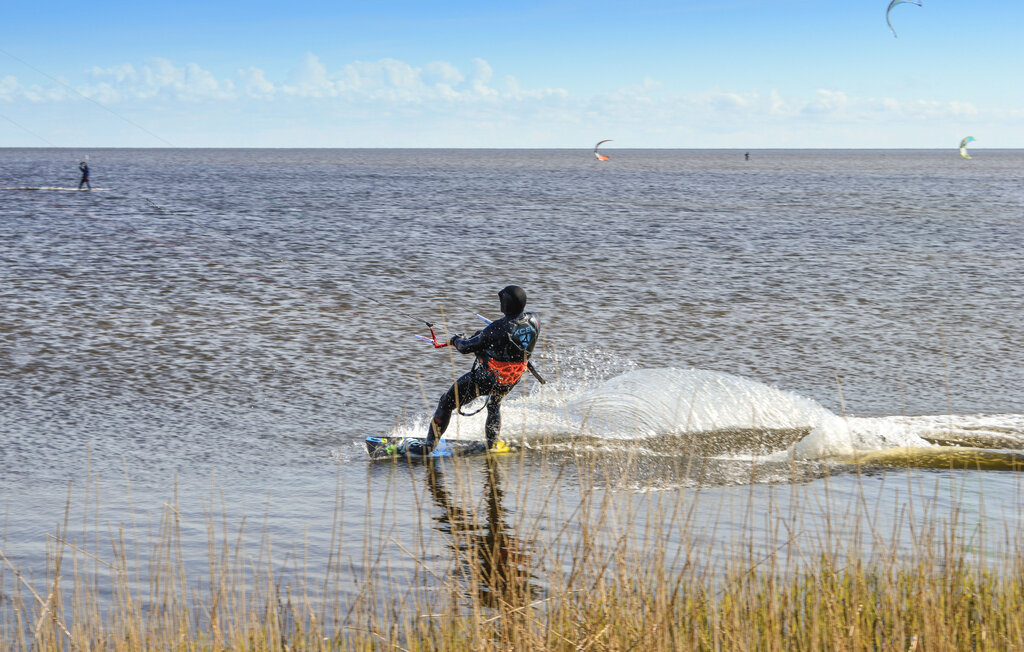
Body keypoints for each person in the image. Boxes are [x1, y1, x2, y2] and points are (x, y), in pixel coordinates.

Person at [409, 285, 541, 455]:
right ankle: (491, 444)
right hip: (512, 378)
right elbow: (510, 340)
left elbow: (465, 348)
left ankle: (428, 446)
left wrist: (457, 339)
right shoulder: (535, 319)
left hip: (489, 377)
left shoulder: (497, 328)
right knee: (494, 405)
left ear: (506, 304)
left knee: (446, 402)